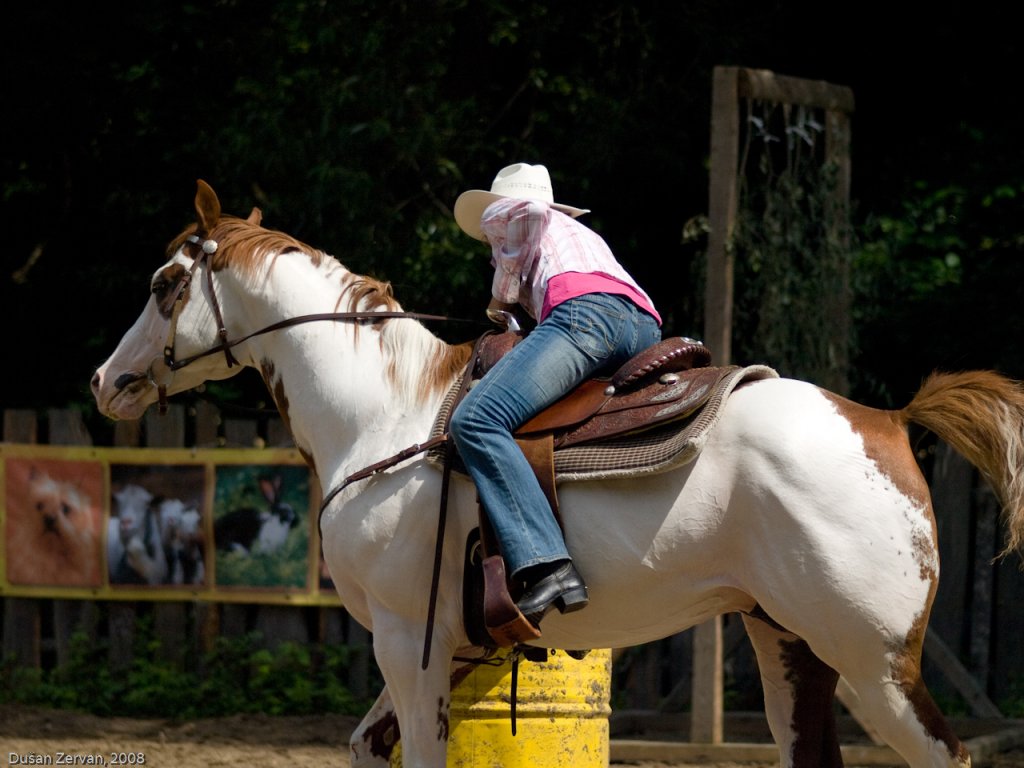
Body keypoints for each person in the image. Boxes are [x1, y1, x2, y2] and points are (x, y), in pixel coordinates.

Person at [450, 162, 662, 629]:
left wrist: (499, 304)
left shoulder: (518, 217)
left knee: (476, 421)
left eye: (491, 233)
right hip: (643, 325)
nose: (490, 242)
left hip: (586, 318)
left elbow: (507, 286)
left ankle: (548, 562)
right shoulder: (579, 235)